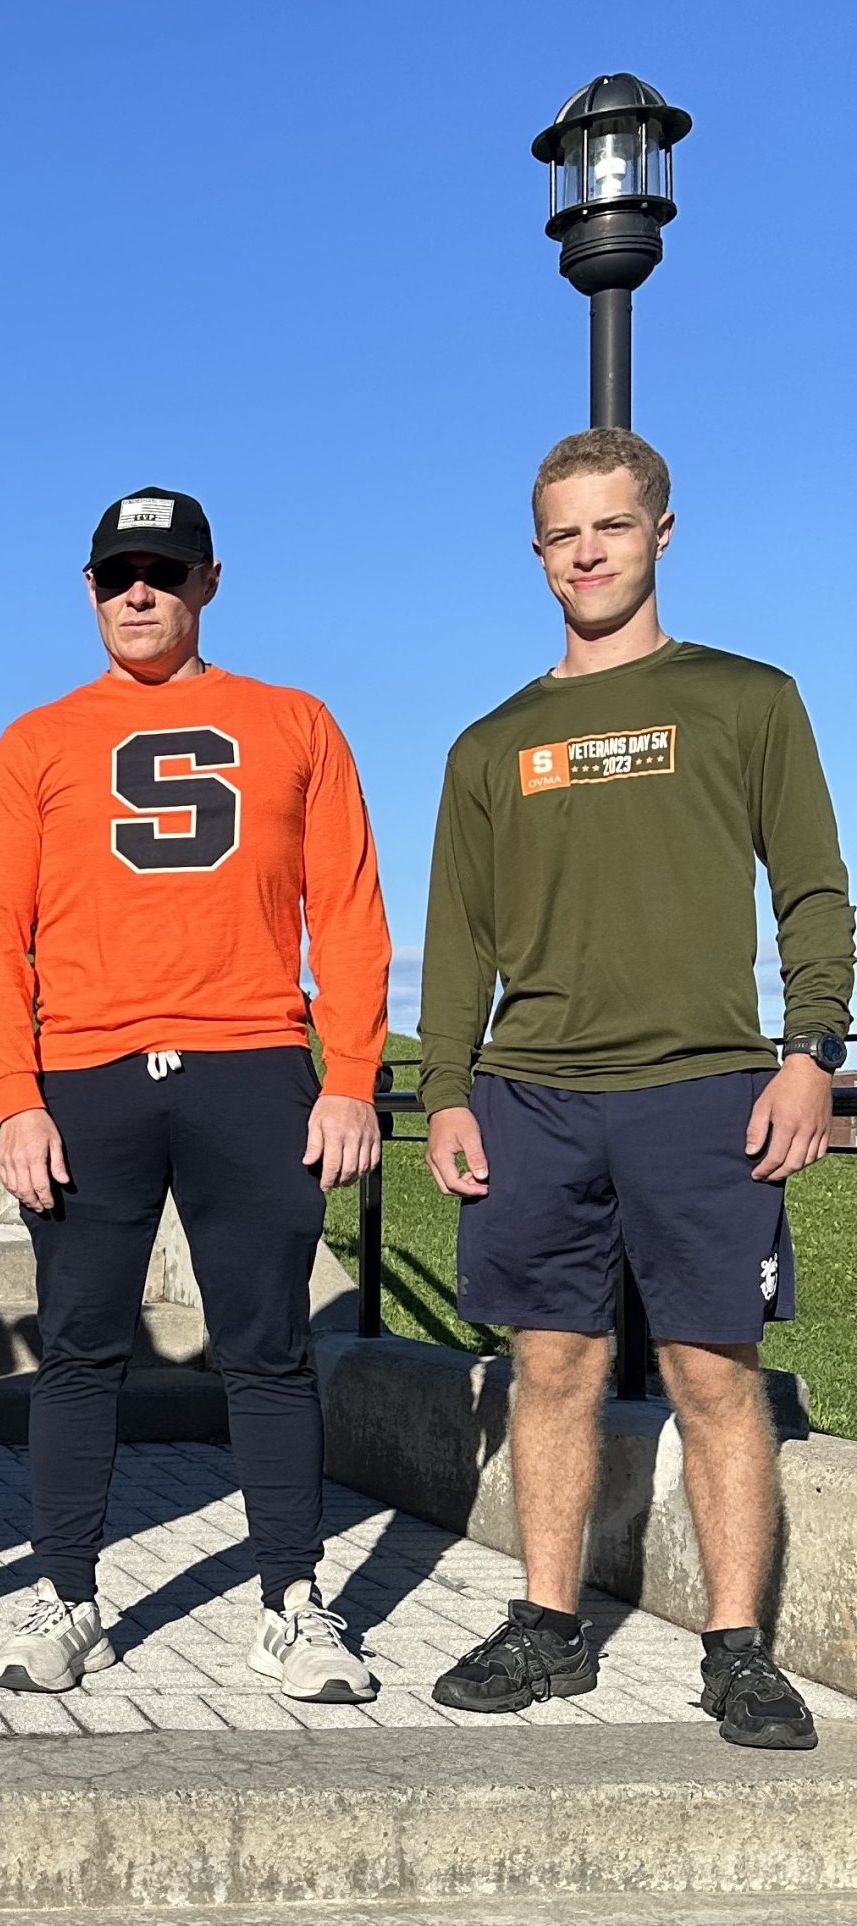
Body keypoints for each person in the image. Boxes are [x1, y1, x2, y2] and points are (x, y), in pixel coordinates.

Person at [419, 428, 847, 1751]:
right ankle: (547, 1627)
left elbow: (815, 890)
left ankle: (738, 1649)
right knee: (552, 1364)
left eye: (612, 524)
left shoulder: (747, 697)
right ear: (538, 551)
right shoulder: (492, 743)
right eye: (564, 532)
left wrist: (809, 1053)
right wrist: (444, 1090)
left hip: (706, 1089)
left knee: (716, 1372)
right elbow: (457, 940)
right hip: (533, 1096)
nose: (588, 551)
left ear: (663, 531)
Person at [0, 487, 388, 1704]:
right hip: (87, 1075)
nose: (136, 593)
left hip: (250, 1063)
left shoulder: (292, 720)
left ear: (208, 579)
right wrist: (13, 1096)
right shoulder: (35, 740)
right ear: (88, 590)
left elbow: (347, 911)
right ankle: (68, 1599)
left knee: (266, 1348)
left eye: (161, 571)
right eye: (114, 575)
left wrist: (350, 1076)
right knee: (79, 1349)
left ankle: (289, 1603)